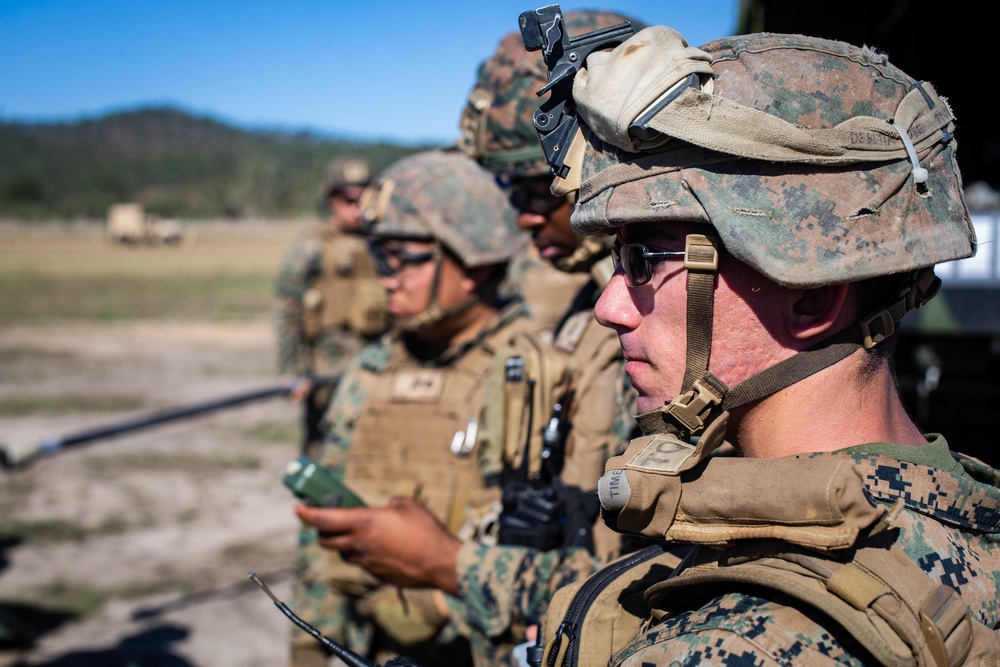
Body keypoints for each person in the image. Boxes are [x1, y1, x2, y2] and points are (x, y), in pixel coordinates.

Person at [519, 17, 998, 666]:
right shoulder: (967, 518)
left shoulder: (739, 643)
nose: (609, 307)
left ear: (810, 297)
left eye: (641, 261)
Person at [289, 149, 574, 667]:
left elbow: (569, 559)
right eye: (380, 258)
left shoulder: (540, 369)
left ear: (472, 259)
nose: (387, 278)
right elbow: (322, 533)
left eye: (404, 258)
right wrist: (309, 649)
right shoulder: (374, 367)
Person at [274, 157, 389, 457]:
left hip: (377, 361)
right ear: (331, 200)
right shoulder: (313, 245)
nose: (357, 207)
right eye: (348, 199)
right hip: (328, 366)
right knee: (325, 450)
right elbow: (288, 305)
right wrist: (292, 368)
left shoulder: (383, 243)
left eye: (365, 198)